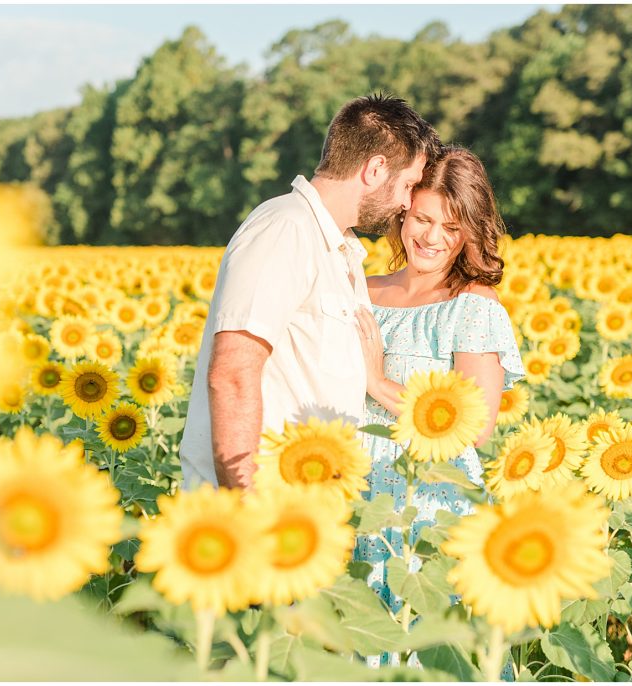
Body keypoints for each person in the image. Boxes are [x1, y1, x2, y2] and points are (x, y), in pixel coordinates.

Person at [178, 94, 441, 491]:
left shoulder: (341, 249)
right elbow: (233, 373)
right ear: (375, 169)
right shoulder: (286, 229)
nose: (406, 203)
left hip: (306, 508)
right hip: (262, 509)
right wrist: (245, 507)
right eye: (407, 186)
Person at [352, 146, 525, 670]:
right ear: (403, 210)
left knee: (427, 656)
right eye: (422, 218)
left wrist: (378, 381)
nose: (430, 237)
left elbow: (473, 428)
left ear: (471, 232)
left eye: (451, 227)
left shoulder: (471, 304)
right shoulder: (362, 289)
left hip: (428, 508)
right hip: (357, 497)